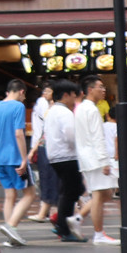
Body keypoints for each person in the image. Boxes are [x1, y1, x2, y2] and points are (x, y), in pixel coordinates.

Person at [0, 79, 34, 247]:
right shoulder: (18, 107)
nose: (24, 99)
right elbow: (19, 134)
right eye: (24, 95)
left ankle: (10, 233)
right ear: (21, 91)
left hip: (0, 159)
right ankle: (11, 226)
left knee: (9, 195)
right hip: (15, 158)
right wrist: (24, 158)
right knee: (30, 194)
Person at [74, 76, 118, 245]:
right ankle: (99, 234)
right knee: (100, 195)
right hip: (94, 158)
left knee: (105, 193)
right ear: (90, 90)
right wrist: (104, 161)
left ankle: (78, 218)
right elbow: (97, 137)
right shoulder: (91, 110)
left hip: (87, 157)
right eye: (100, 87)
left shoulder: (81, 108)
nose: (104, 89)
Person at [42, 79, 84, 242]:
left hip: (55, 156)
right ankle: (63, 227)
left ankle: (59, 221)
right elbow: (70, 136)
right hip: (67, 156)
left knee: (68, 190)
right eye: (73, 95)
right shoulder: (65, 112)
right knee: (73, 190)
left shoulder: (52, 111)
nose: (75, 99)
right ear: (66, 95)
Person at [27, 82, 60, 220]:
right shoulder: (46, 105)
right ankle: (51, 213)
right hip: (44, 146)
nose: (44, 93)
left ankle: (54, 213)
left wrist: (34, 148)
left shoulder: (55, 108)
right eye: (44, 91)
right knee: (47, 180)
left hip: (52, 148)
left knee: (50, 180)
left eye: (48, 91)